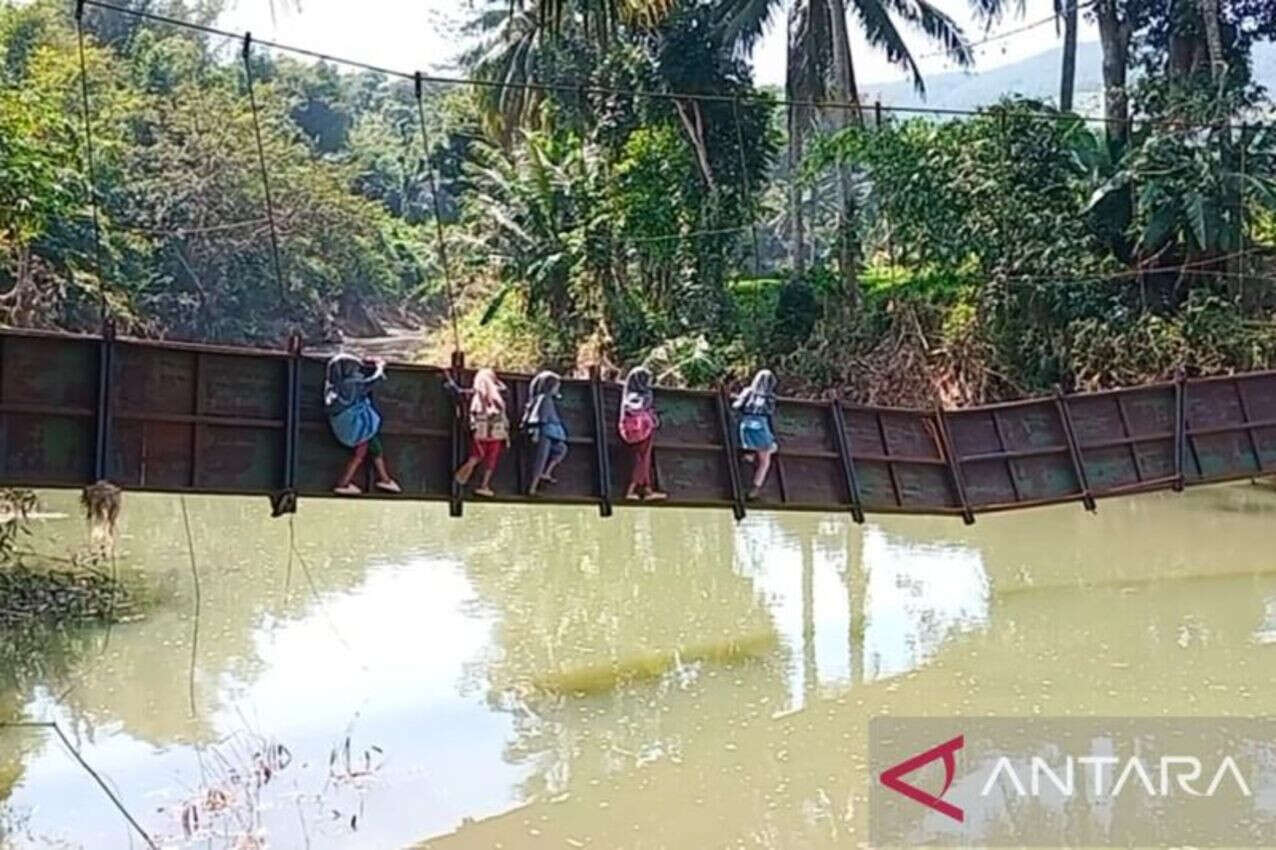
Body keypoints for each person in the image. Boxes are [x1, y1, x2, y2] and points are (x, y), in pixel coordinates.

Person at [325, 353, 401, 496]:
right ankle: (345, 483)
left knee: (371, 448)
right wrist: (380, 366)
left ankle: (384, 479)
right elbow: (373, 381)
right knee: (364, 451)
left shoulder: (334, 386)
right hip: (355, 426)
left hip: (345, 425)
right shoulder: (350, 385)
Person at [453, 368, 509, 497]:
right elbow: (504, 390)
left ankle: (463, 474)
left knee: (476, 455)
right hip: (496, 432)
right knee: (491, 459)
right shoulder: (497, 394)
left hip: (481, 431)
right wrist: (497, 381)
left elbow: (472, 412)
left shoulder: (477, 396)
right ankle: (484, 485)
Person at [617, 366, 666, 501]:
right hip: (642, 430)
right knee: (642, 459)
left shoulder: (628, 392)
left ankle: (647, 489)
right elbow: (637, 407)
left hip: (630, 430)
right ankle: (631, 489)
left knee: (643, 458)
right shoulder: (641, 395)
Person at [733, 368, 779, 500]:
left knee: (751, 451)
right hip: (760, 426)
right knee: (766, 459)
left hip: (745, 426)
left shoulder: (748, 391)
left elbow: (736, 406)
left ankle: (747, 460)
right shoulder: (770, 397)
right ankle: (755, 489)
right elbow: (770, 415)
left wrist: (736, 398)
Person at [521, 370, 568, 495]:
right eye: (556, 385)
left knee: (561, 449)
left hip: (551, 433)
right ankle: (532, 488)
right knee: (539, 459)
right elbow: (539, 417)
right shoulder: (543, 399)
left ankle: (546, 473)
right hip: (543, 433)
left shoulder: (548, 399)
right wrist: (536, 432)